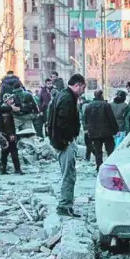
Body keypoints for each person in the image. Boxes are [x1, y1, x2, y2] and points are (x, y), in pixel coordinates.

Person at [47, 73, 85, 217]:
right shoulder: (68, 98)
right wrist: (68, 140)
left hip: (60, 141)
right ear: (77, 85)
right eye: (82, 87)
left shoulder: (62, 95)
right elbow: (63, 122)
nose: (82, 91)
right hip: (64, 143)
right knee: (68, 175)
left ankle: (65, 204)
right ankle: (64, 206)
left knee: (68, 173)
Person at [84, 89, 120, 171]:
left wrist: (88, 130)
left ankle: (99, 166)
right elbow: (111, 118)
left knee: (98, 150)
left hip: (94, 133)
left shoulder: (88, 106)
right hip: (106, 132)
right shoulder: (106, 105)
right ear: (101, 95)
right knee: (110, 149)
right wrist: (116, 130)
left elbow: (86, 119)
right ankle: (111, 165)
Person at [0, 94, 22, 175]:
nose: (12, 101)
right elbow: (7, 123)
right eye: (10, 99)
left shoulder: (4, 108)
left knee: (5, 152)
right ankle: (17, 169)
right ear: (6, 100)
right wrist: (11, 134)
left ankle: (3, 170)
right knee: (13, 151)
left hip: (4, 134)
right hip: (7, 134)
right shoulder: (6, 110)